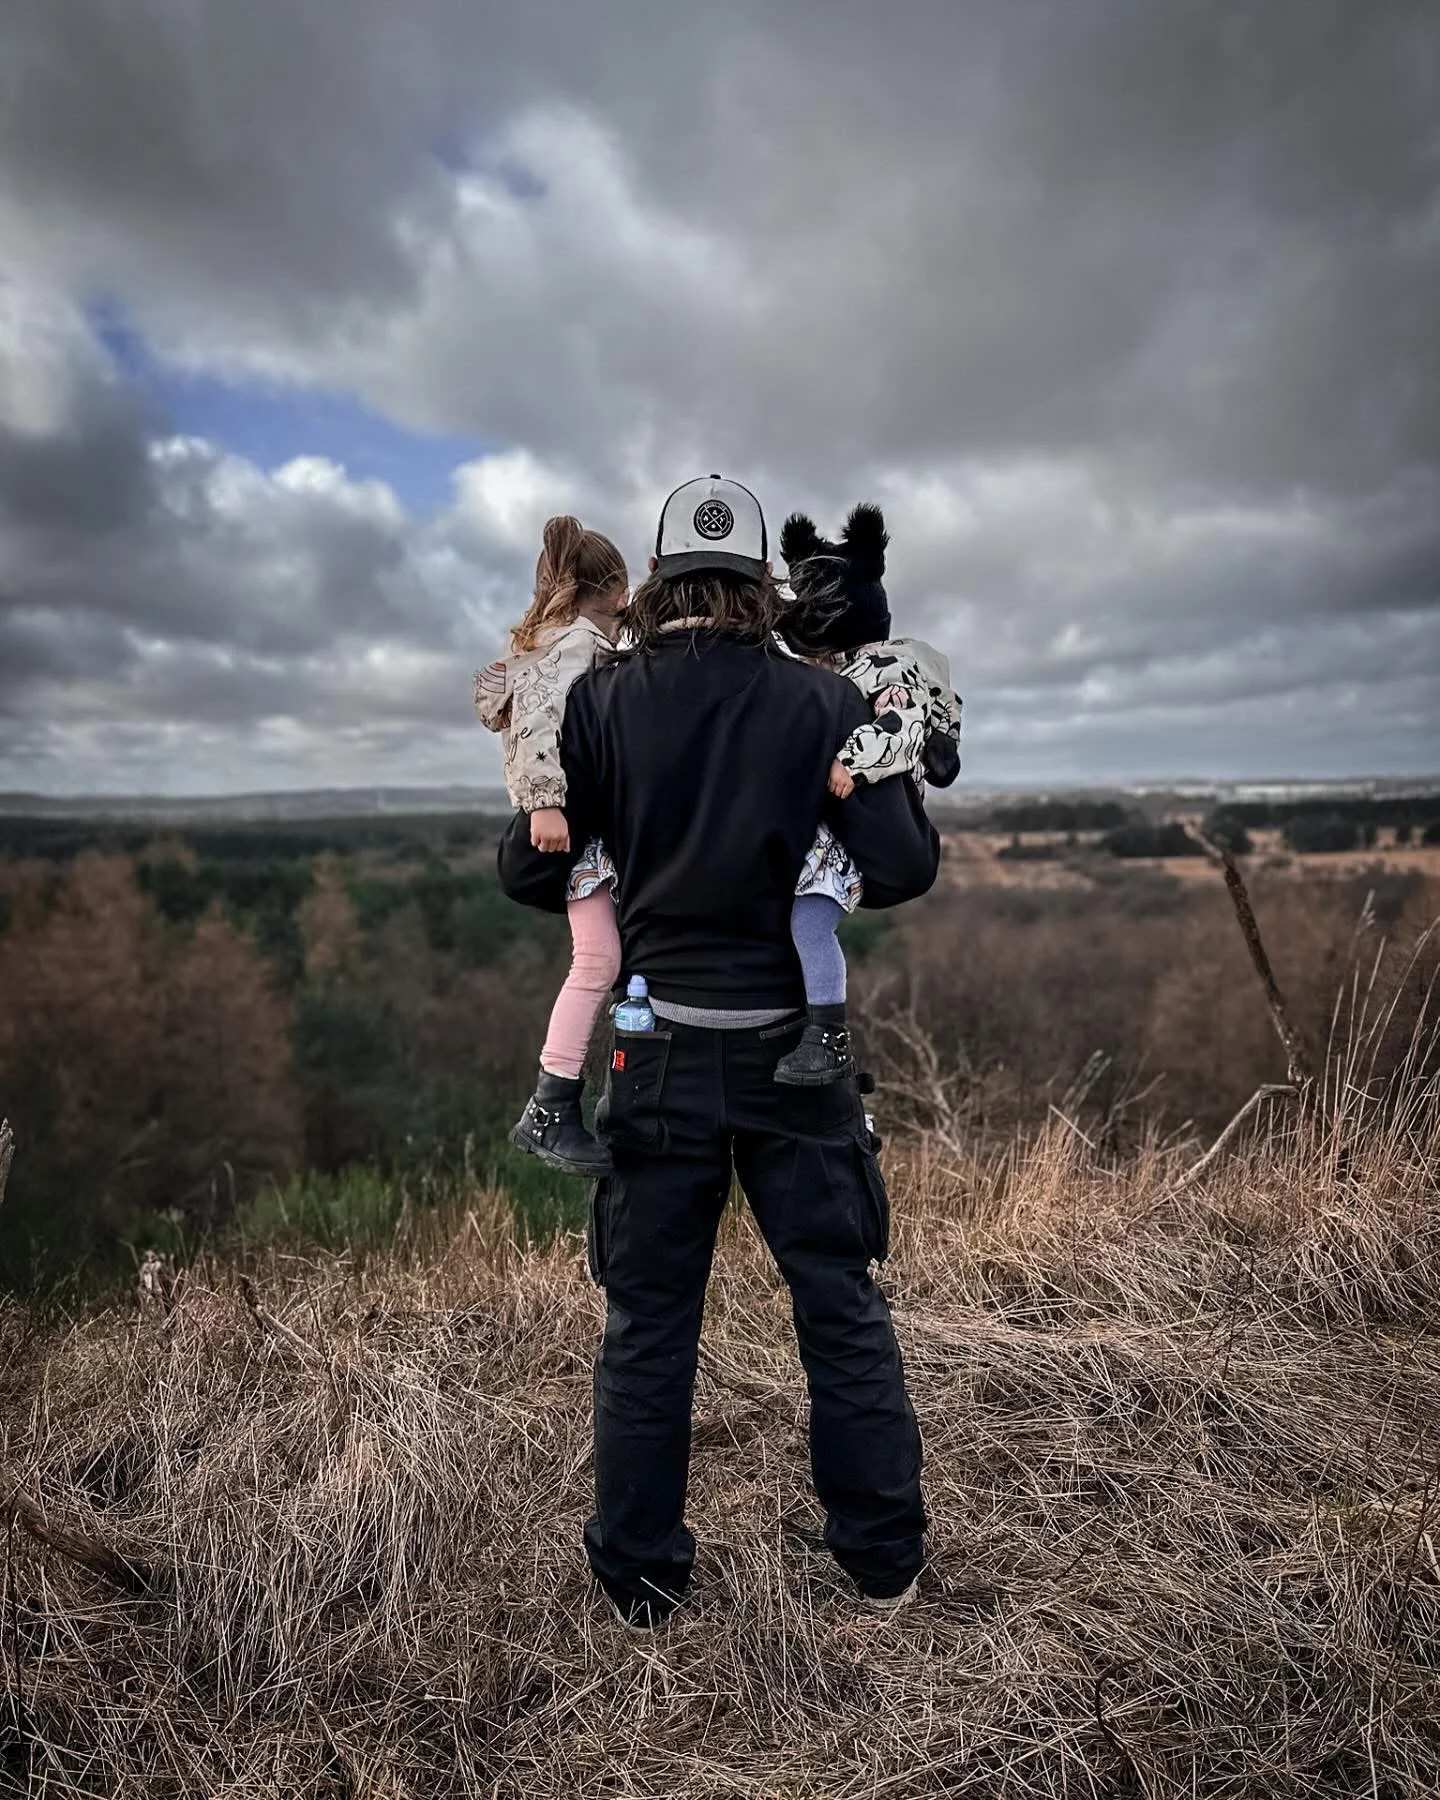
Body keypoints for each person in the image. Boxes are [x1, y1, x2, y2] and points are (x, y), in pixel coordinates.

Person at [498, 473, 940, 1628]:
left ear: (657, 580)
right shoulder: (823, 701)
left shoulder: (599, 702)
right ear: (759, 583)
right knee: (838, 1303)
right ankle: (882, 1561)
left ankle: (640, 1578)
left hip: (659, 1052)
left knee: (651, 1322)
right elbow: (900, 868)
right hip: (799, 1050)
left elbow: (527, 868)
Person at [774, 503, 963, 1086]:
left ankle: (829, 1039)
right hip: (841, 829)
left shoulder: (886, 668)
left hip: (858, 822)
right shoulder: (841, 671)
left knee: (808, 925)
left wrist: (849, 764)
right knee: (792, 928)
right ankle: (814, 1038)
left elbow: (903, 727)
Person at [474, 514, 628, 1178]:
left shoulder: (577, 638)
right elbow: (537, 715)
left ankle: (572, 1095)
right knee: (597, 961)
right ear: (613, 589)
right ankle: (549, 1107)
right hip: (576, 835)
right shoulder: (571, 646)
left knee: (611, 961)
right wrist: (544, 801)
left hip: (593, 835)